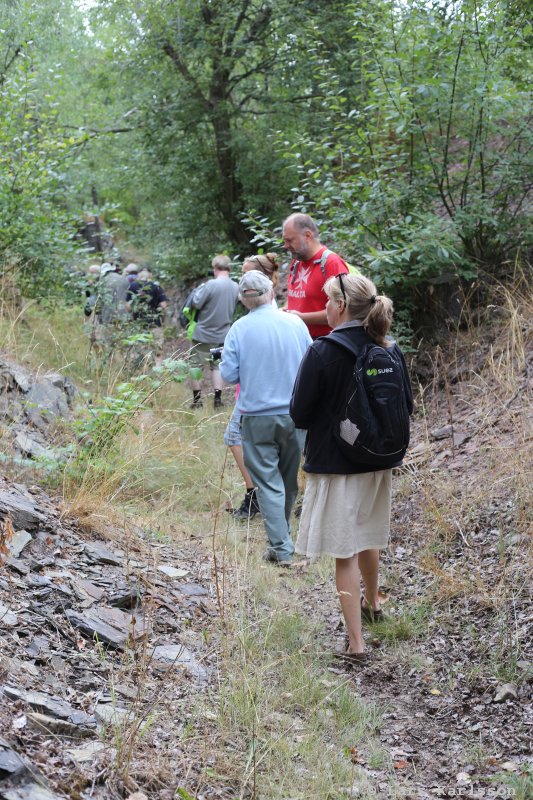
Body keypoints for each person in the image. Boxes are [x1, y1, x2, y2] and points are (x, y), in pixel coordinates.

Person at [290, 273, 413, 659]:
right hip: (378, 461)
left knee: (345, 552)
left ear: (340, 306)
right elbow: (406, 405)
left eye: (328, 301)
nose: (325, 307)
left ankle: (356, 644)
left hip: (337, 463)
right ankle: (374, 604)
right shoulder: (388, 348)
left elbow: (299, 412)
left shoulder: (324, 350)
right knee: (368, 536)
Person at [220, 270, 312, 564]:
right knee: (287, 480)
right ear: (271, 292)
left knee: (268, 483)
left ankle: (282, 548)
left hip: (257, 416)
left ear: (244, 301)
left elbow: (228, 375)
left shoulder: (239, 329)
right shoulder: (295, 323)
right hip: (296, 414)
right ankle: (280, 542)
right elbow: (312, 364)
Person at [225, 253, 281, 519]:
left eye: (246, 273)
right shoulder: (282, 313)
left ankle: (255, 494)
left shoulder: (249, 321)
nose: (242, 279)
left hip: (258, 392)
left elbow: (230, 373)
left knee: (235, 436)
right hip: (272, 390)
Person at [282, 213, 348, 339]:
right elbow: (297, 298)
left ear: (307, 235)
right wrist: (285, 311)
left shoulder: (332, 263)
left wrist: (301, 318)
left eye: (289, 240)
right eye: (284, 241)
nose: (285, 246)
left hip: (324, 344)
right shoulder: (297, 262)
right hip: (297, 341)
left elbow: (343, 310)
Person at [188, 255, 239, 409]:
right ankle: (218, 400)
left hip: (202, 334)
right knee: (216, 365)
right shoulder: (236, 286)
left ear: (215, 268)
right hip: (222, 334)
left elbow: (196, 303)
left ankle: (197, 401)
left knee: (195, 364)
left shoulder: (210, 285)